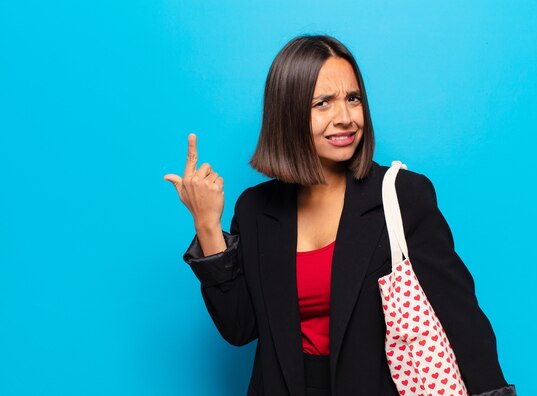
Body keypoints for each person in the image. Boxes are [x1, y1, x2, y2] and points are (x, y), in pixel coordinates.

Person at [164, 35, 515, 396]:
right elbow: (239, 328)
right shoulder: (256, 209)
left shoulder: (402, 195)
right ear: (288, 113)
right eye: (323, 104)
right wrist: (207, 224)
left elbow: (462, 321)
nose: (345, 118)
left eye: (353, 99)